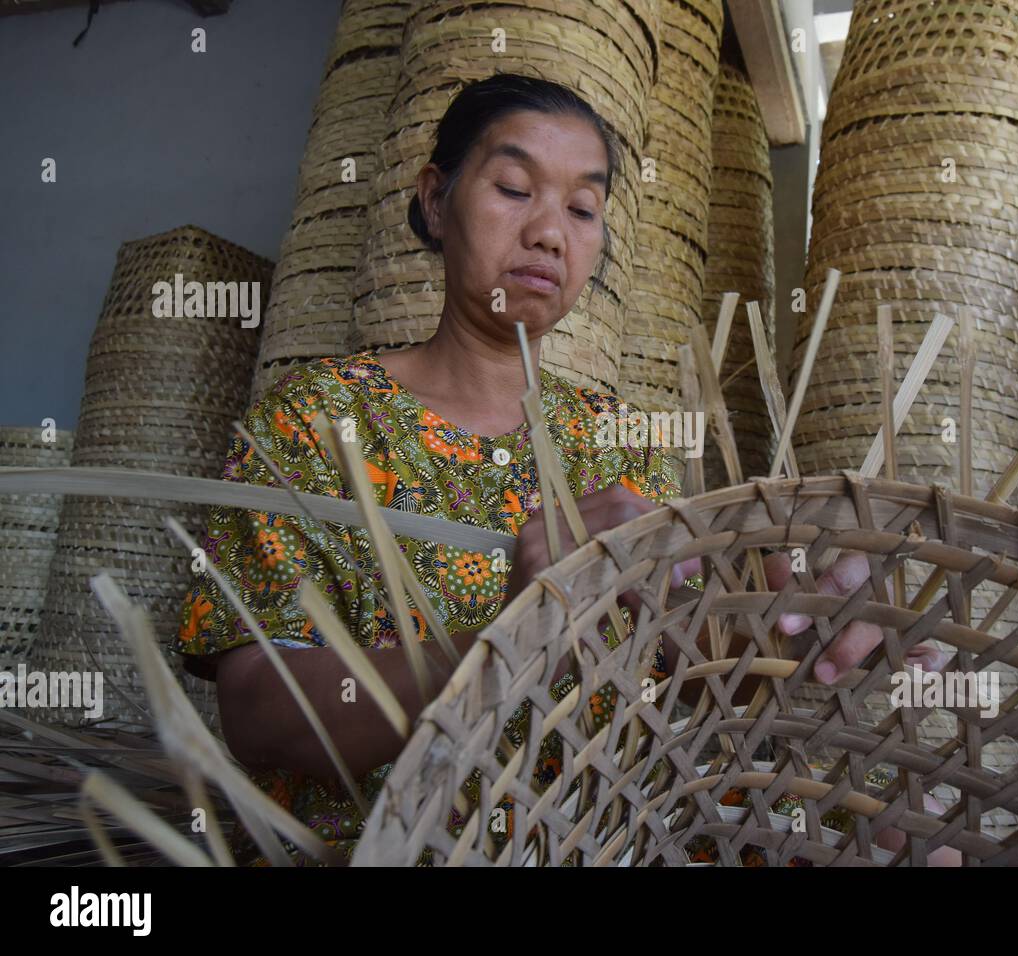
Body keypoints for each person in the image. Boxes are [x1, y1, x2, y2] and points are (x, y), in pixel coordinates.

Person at [171, 72, 957, 866]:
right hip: (391, 848)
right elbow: (257, 716)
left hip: (606, 842)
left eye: (583, 209)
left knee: (917, 846)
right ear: (436, 200)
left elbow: (678, 661)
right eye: (514, 189)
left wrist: (787, 623)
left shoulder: (617, 442)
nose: (551, 232)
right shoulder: (314, 421)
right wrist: (505, 640)